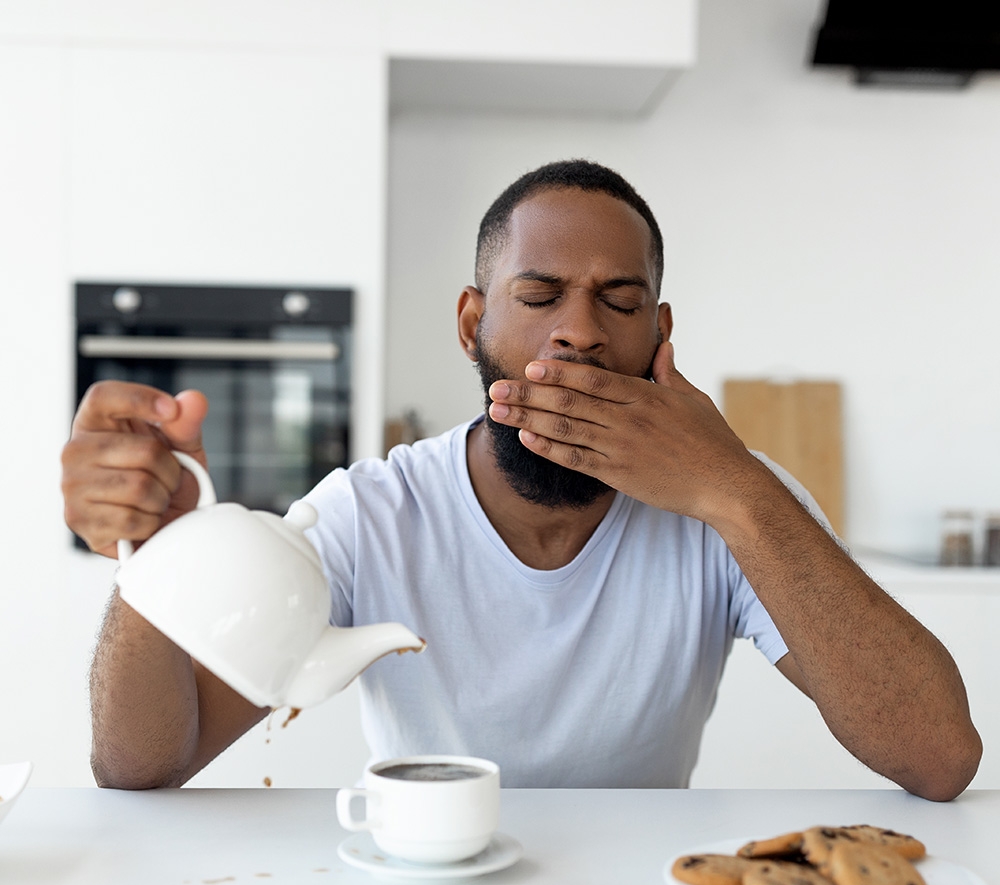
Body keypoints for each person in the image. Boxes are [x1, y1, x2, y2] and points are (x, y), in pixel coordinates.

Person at [62, 160, 981, 798]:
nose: (578, 332)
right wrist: (153, 558)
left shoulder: (732, 501)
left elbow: (938, 758)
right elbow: (143, 766)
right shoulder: (370, 513)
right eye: (538, 297)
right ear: (472, 325)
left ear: (660, 335)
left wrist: (732, 491)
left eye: (618, 302)